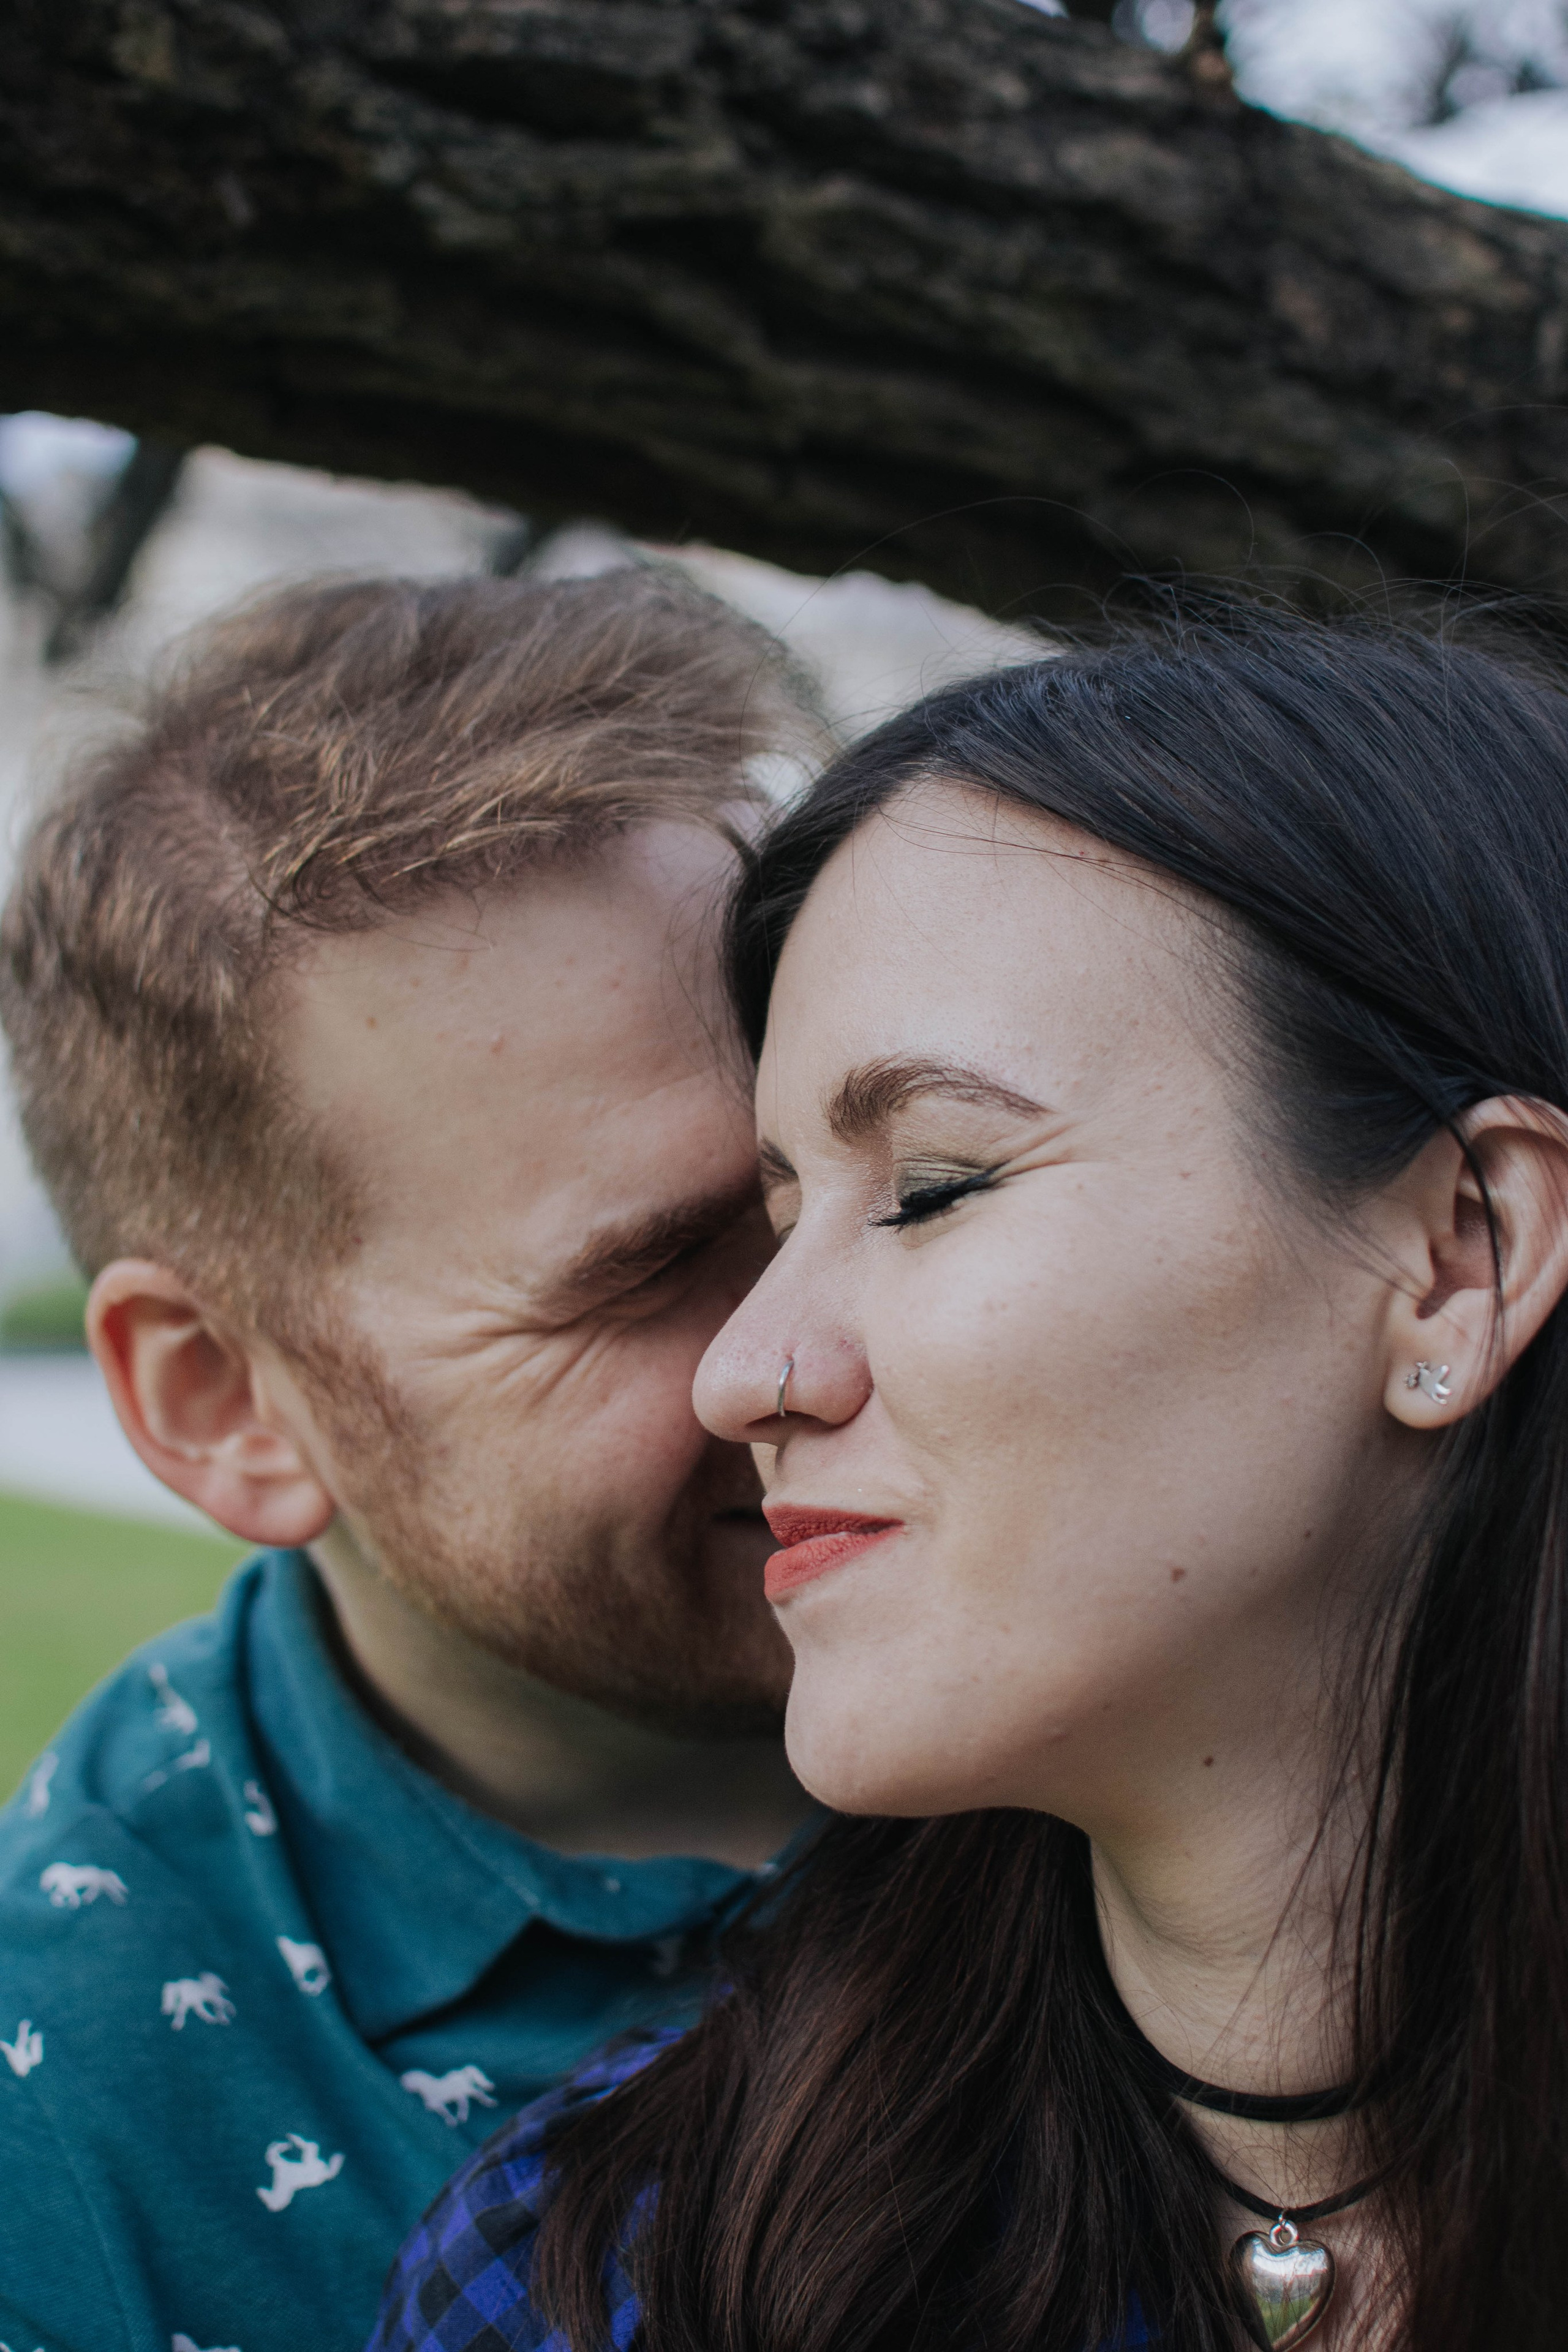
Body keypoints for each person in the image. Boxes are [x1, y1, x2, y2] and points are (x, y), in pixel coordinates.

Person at [375, 612, 1568, 2352]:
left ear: (1461, 1257)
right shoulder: (622, 2270)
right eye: (783, 1220)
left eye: (933, 1185)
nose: (746, 1372)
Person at [0, 567, 821, 2352]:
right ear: (225, 1400)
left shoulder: (1239, 1649)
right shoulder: (64, 2135)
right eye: (652, 1266)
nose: (821, 1339)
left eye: (880, 1182)